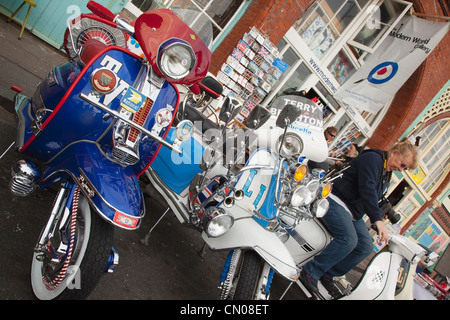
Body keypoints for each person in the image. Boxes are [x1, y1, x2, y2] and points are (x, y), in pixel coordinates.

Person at [299, 137, 418, 297]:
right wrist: (378, 220)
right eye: (402, 165)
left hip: (352, 212)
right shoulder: (373, 159)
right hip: (335, 200)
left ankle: (328, 273)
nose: (402, 169)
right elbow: (367, 189)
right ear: (394, 153)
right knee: (349, 239)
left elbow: (374, 196)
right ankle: (311, 271)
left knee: (365, 247)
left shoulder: (386, 173)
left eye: (405, 168)